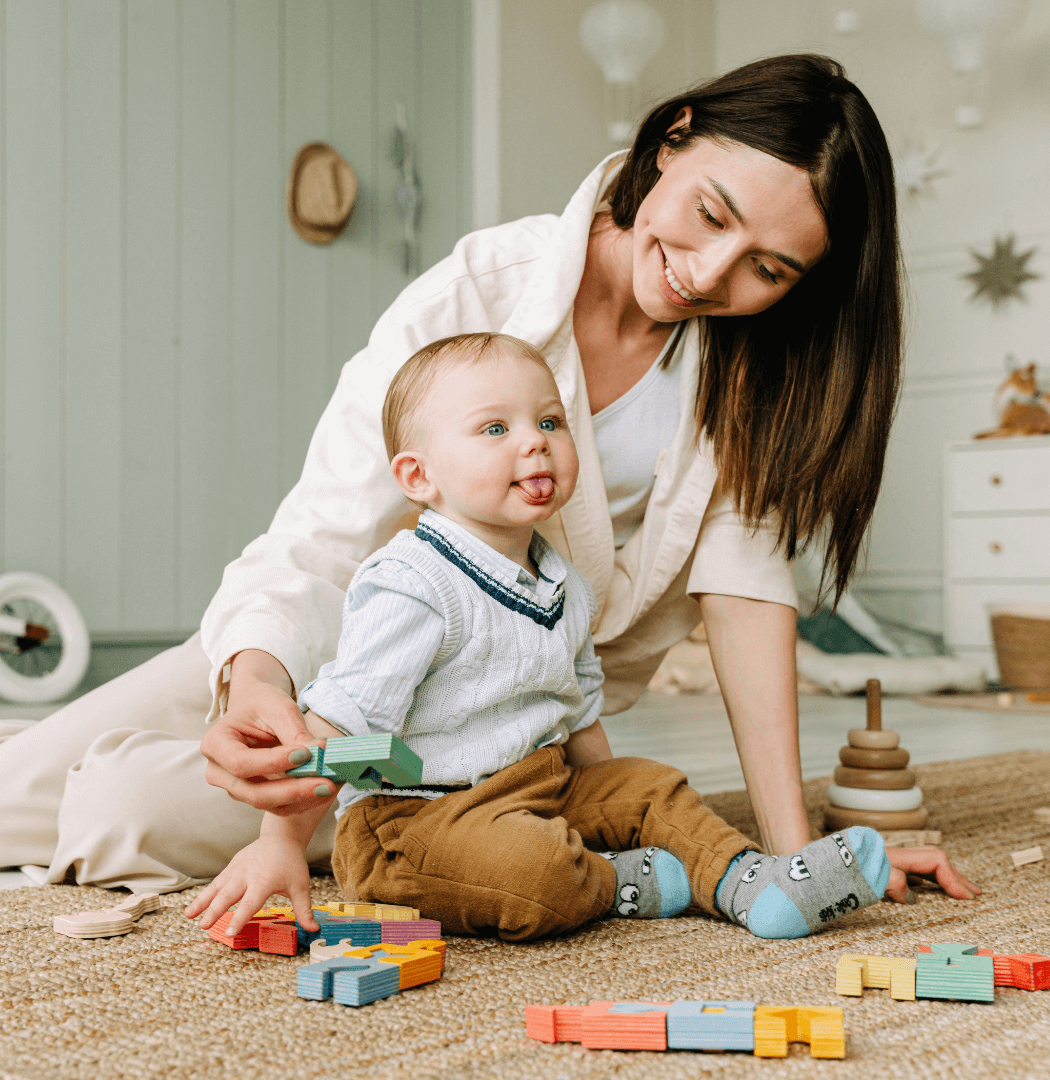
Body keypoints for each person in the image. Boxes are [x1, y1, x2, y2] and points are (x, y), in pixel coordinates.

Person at [0, 54, 974, 903]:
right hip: (340, 646)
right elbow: (322, 533)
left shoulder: (756, 376)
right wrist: (255, 676)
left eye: (768, 267)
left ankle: (390, 825)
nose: (712, 274)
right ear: (674, 137)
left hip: (473, 733)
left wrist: (793, 857)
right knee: (19, 788)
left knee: (121, 808)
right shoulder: (480, 292)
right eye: (710, 214)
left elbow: (745, 598)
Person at [184, 332, 943, 942]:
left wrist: (611, 806)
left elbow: (578, 714)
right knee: (534, 870)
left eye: (550, 422)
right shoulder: (413, 582)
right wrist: (281, 843)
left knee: (655, 786)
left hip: (537, 785)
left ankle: (755, 881)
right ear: (419, 476)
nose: (536, 443)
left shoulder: (564, 581)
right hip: (414, 824)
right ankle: (627, 882)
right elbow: (341, 727)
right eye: (495, 429)